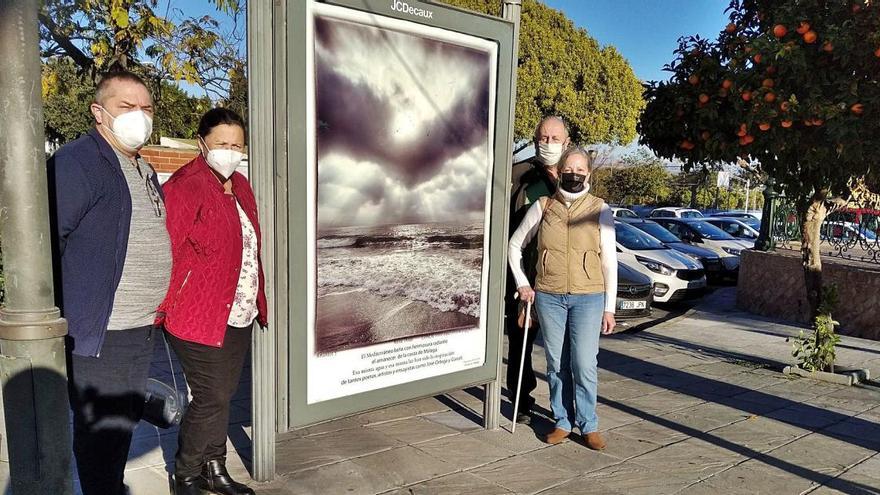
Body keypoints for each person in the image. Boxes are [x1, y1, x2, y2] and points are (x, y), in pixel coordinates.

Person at [48, 71, 170, 494]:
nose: (140, 115)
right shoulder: (78, 162)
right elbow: (48, 240)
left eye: (146, 107)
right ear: (99, 112)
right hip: (103, 332)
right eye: (126, 106)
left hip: (140, 327)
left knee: (124, 425)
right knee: (102, 434)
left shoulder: (144, 168)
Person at [158, 108, 267, 495]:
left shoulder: (240, 184)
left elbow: (249, 248)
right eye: (222, 143)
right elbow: (167, 249)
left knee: (223, 396)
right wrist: (159, 309)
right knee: (211, 396)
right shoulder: (185, 186)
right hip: (196, 314)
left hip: (238, 311)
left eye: (237, 145)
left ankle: (214, 468)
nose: (230, 151)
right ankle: (186, 473)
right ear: (202, 142)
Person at [508, 146, 617, 449]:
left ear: (589, 173)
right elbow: (514, 247)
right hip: (549, 296)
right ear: (559, 171)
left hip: (589, 297)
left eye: (580, 170)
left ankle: (588, 423)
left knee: (583, 363)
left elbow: (609, 262)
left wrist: (609, 308)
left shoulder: (600, 209)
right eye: (569, 169)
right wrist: (523, 284)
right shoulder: (543, 206)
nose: (574, 174)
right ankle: (562, 422)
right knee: (556, 364)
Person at [505, 116, 571, 424]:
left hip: (565, 278)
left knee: (565, 349)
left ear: (567, 142)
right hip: (528, 277)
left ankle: (566, 408)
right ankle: (521, 401)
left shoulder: (576, 176)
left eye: (555, 138)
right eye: (543, 138)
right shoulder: (521, 177)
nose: (548, 144)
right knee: (521, 343)